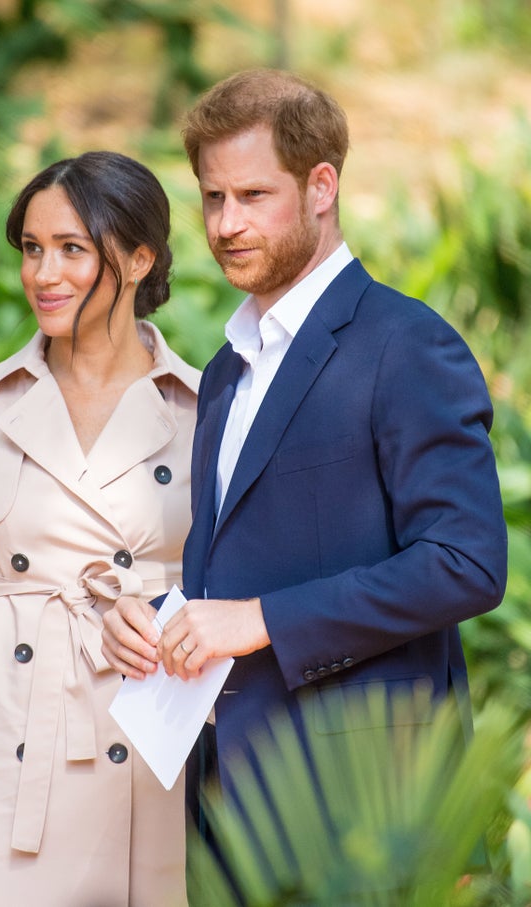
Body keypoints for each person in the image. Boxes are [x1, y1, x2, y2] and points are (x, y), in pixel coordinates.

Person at [101, 68, 508, 871]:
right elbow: (251, 561)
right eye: (213, 198)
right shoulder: (224, 370)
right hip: (227, 804)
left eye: (253, 196)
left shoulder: (405, 344)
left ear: (322, 186)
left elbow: (466, 563)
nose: (225, 223)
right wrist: (154, 616)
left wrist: (264, 619)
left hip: (365, 806)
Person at [0, 151, 199, 907]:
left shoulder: (207, 410)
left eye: (72, 249)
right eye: (31, 248)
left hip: (153, 760)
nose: (43, 273)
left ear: (139, 257)